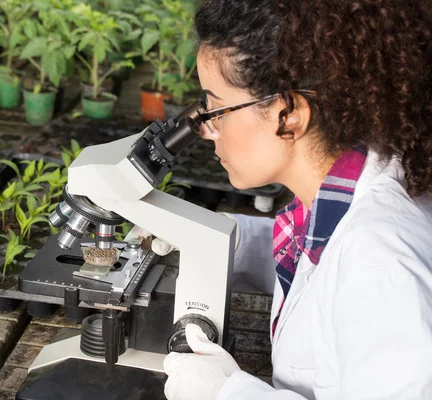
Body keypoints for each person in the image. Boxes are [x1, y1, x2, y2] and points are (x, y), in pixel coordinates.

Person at [137, 0, 432, 399]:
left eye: (217, 109)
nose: (207, 131)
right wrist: (219, 238)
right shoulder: (343, 188)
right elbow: (319, 268)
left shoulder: (381, 262)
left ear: (289, 114)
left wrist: (227, 393)